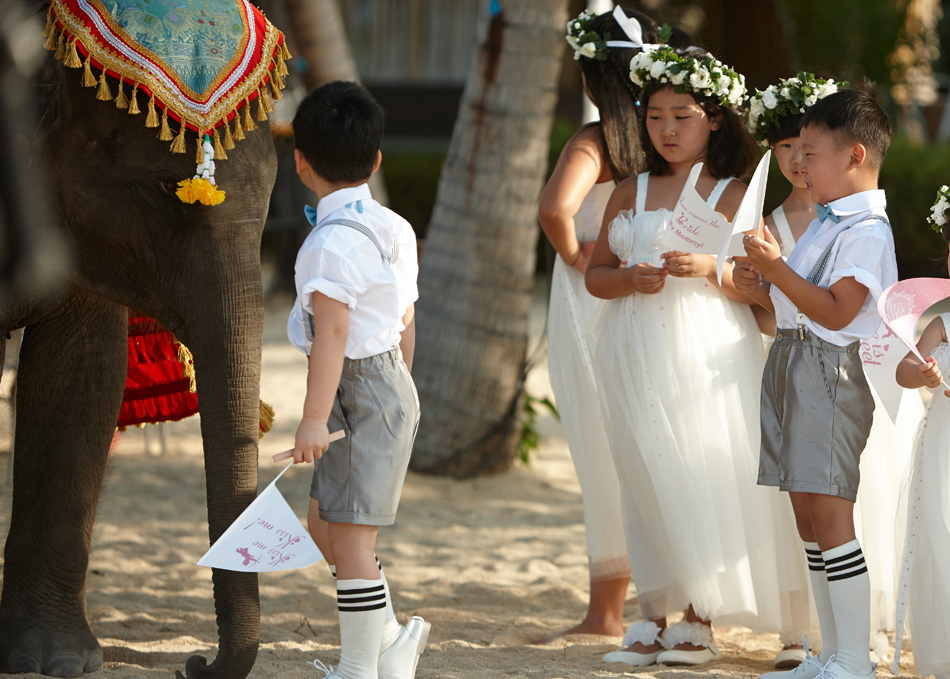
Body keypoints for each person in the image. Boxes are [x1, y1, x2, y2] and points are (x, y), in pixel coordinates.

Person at [585, 45, 791, 667]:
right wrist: (629, 280)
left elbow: (761, 283)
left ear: (715, 118)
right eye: (654, 116)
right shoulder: (629, 189)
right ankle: (652, 613)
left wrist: (711, 269)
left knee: (696, 466)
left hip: (704, 346)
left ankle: (699, 617)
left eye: (682, 115)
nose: (667, 129)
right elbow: (596, 274)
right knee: (642, 470)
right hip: (634, 345)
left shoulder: (734, 192)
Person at [747, 74, 921, 669]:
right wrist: (764, 280)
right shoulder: (827, 220)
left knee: (830, 512)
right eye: (794, 151)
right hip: (795, 361)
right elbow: (797, 304)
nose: (799, 163)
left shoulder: (866, 230)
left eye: (811, 153)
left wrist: (774, 269)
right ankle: (831, 654)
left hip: (831, 371)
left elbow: (841, 310)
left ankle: (852, 659)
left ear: (855, 156)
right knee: (807, 512)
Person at [286, 80, 426, 679]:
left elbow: (334, 337)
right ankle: (392, 637)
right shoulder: (394, 226)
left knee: (349, 543)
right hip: (381, 385)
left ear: (299, 162)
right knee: (325, 526)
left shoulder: (327, 245)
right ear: (375, 159)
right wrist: (402, 390)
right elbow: (406, 318)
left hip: (360, 393)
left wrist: (314, 416)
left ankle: (358, 668)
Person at [535, 5, 662, 642]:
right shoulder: (663, 135)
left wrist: (573, 252)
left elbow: (556, 207)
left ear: (590, 79)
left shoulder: (595, 142)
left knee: (599, 446)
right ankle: (661, 597)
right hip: (649, 298)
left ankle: (605, 612)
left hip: (591, 298)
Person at [891, 193, 950, 679]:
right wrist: (924, 373)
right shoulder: (943, 325)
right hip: (945, 448)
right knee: (944, 534)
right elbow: (904, 369)